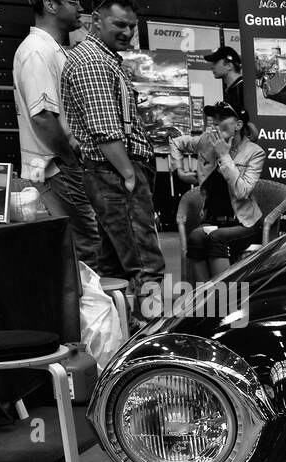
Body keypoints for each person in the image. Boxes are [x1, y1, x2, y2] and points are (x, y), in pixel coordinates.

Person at [61, 0, 164, 313]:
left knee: (115, 264)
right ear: (96, 20)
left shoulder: (104, 59)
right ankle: (149, 343)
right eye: (119, 24)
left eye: (132, 25)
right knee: (146, 265)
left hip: (111, 173)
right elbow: (106, 130)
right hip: (115, 172)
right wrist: (129, 174)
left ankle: (122, 337)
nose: (128, 32)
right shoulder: (92, 60)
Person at [12, 0, 99, 269]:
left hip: (60, 167)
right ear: (50, 4)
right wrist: (70, 161)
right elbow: (42, 117)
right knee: (87, 249)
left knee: (83, 247)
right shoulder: (37, 51)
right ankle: (86, 311)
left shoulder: (51, 48)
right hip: (57, 169)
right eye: (73, 1)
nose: (80, 7)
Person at [169, 103, 267, 282]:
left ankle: (224, 301)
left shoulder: (254, 152)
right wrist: (179, 171)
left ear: (238, 125)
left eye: (221, 118)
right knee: (195, 239)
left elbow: (242, 191)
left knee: (216, 239)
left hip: (243, 222)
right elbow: (176, 142)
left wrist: (224, 156)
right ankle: (205, 300)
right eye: (214, 119)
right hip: (212, 220)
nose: (215, 123)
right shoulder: (206, 140)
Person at [204, 45, 246, 116]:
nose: (211, 67)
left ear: (229, 66)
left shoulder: (242, 90)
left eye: (215, 62)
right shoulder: (234, 89)